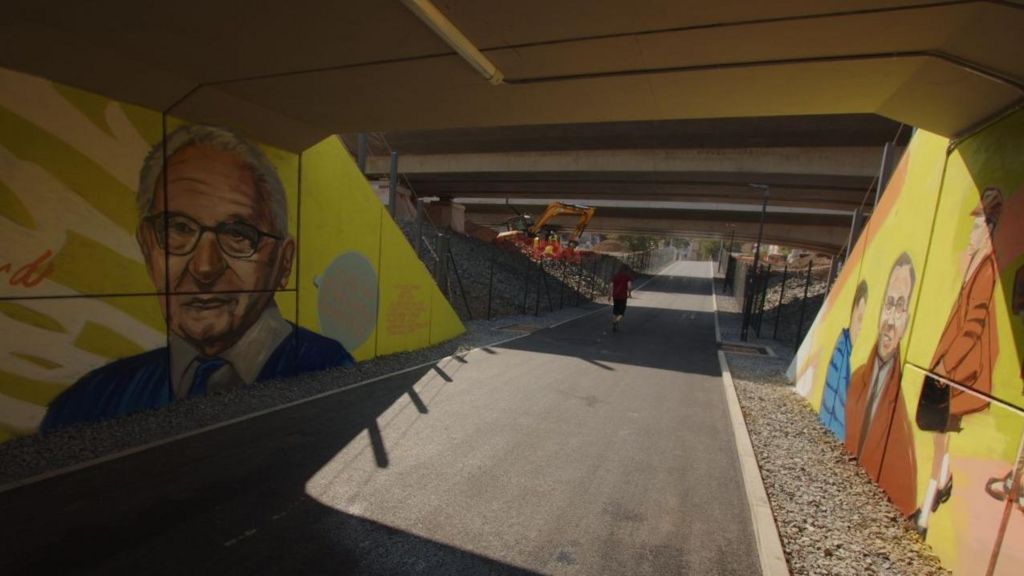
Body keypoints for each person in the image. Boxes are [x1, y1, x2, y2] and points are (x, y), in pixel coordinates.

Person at [41, 125, 354, 430]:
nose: (205, 267)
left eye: (237, 234)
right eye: (178, 228)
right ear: (148, 249)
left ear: (283, 263)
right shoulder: (88, 404)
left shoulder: (329, 373)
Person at [915, 188, 1003, 533]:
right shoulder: (976, 265)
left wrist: (946, 367)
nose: (972, 230)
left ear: (990, 228)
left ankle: (927, 511)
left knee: (940, 438)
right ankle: (941, 487)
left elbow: (973, 325)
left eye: (977, 224)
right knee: (940, 438)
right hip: (956, 370)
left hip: (963, 373)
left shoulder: (985, 269)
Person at [844, 253, 917, 517]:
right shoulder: (856, 378)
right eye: (888, 304)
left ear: (908, 319)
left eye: (899, 307)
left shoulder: (903, 412)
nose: (890, 319)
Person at [818, 280, 868, 441]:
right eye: (859, 319)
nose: (861, 327)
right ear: (851, 315)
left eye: (863, 320)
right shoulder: (841, 355)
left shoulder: (845, 352)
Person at [609, 264, 633, 332]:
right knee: (622, 312)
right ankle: (616, 321)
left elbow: (611, 285)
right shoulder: (627, 277)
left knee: (615, 310)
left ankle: (614, 322)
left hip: (615, 296)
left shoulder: (615, 276)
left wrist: (609, 295)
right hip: (623, 296)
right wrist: (629, 294)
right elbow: (629, 286)